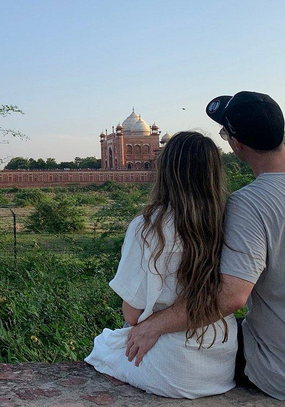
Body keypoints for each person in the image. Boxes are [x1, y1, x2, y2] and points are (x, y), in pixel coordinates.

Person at [125, 91, 285, 400]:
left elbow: (231, 297)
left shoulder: (249, 203)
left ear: (236, 144)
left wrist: (154, 326)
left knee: (198, 342)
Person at [85, 131, 238, 399]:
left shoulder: (147, 227)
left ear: (164, 171)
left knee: (103, 345)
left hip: (170, 368)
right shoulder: (232, 221)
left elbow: (132, 315)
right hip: (220, 364)